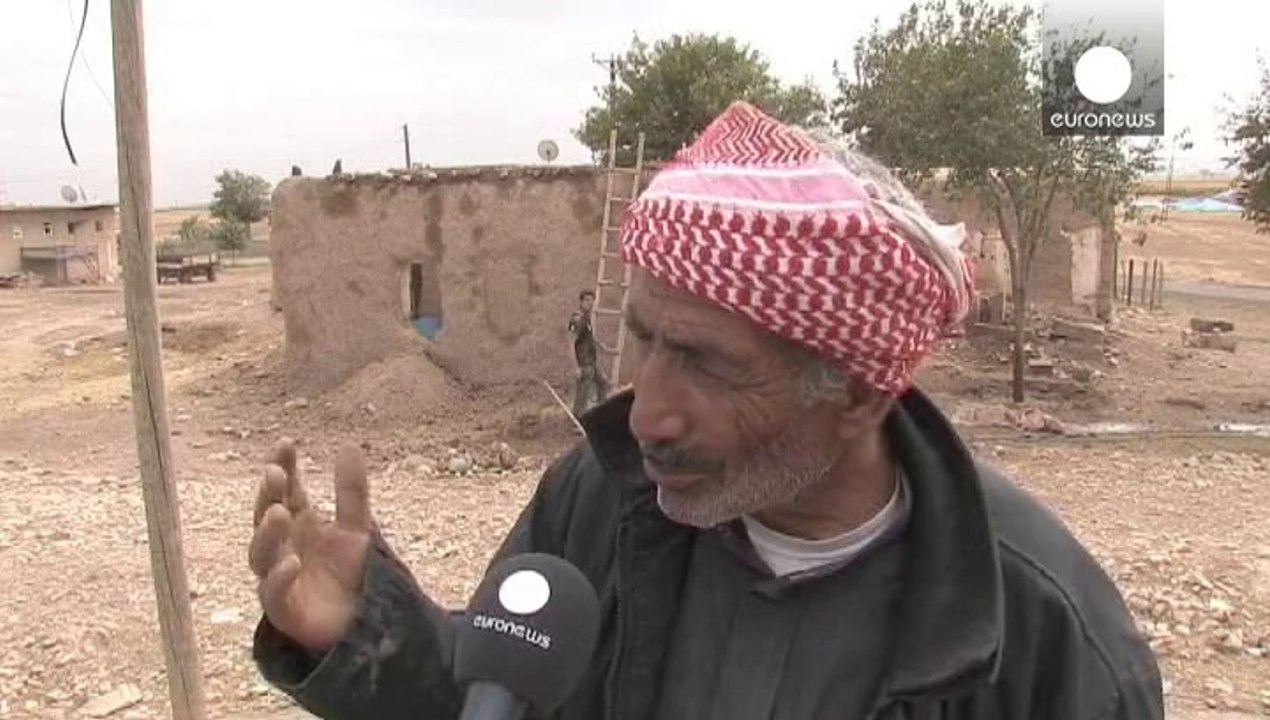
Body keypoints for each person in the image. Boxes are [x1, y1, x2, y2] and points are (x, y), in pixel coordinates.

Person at [248, 102, 1163, 719]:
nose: (646, 415)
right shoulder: (596, 498)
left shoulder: (1037, 631)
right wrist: (376, 637)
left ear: (858, 390)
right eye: (645, 339)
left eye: (708, 364)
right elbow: (502, 692)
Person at [568, 288, 610, 417]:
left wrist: (601, 345)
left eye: (592, 300)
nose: (590, 303)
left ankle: (601, 414)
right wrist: (575, 367)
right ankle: (578, 420)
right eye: (586, 300)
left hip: (591, 360)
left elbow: (589, 336)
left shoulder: (587, 318)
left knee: (603, 382)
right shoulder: (578, 319)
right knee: (582, 393)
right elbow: (570, 342)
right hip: (583, 362)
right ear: (581, 302)